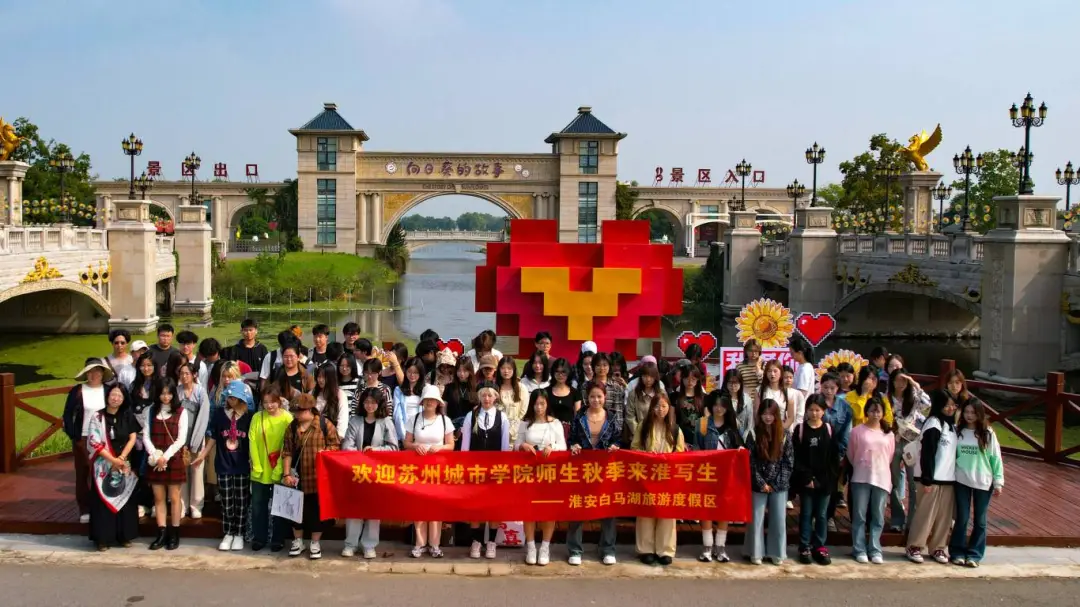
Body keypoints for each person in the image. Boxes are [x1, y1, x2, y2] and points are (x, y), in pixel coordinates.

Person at [566, 383, 621, 566]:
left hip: (605, 470)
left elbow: (618, 438)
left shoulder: (612, 417)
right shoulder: (580, 416)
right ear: (586, 398)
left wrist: (615, 446)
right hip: (583, 469)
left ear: (605, 397)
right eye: (592, 397)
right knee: (578, 506)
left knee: (608, 508)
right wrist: (573, 446)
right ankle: (575, 549)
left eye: (599, 396)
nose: (596, 400)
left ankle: (607, 548)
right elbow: (571, 439)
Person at [341, 387, 399, 559]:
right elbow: (346, 446)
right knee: (354, 508)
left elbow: (394, 448)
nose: (370, 405)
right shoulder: (355, 420)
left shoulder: (386, 421)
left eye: (373, 402)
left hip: (377, 472)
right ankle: (351, 544)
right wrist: (359, 456)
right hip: (357, 471)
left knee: (374, 509)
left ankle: (369, 545)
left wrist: (375, 450)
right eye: (366, 402)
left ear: (379, 403)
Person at [197, 380, 254, 552]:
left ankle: (239, 533)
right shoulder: (220, 415)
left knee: (242, 502)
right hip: (223, 464)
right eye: (229, 397)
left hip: (243, 465)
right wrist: (202, 456)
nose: (232, 400)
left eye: (235, 397)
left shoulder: (250, 416)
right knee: (227, 501)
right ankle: (228, 532)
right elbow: (214, 437)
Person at [282, 393, 341, 559]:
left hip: (318, 478)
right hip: (297, 477)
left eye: (299, 411)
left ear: (309, 410)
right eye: (295, 411)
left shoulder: (324, 424)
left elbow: (335, 446)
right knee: (295, 511)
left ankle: (315, 543)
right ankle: (298, 541)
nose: (297, 415)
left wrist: (326, 453)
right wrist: (286, 474)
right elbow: (286, 452)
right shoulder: (292, 427)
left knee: (316, 512)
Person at [949, 399, 1004, 568]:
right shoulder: (958, 432)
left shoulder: (987, 433)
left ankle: (975, 554)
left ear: (979, 414)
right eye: (967, 412)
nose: (969, 416)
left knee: (980, 520)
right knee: (962, 518)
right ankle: (957, 551)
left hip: (983, 481)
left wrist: (998, 481)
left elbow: (996, 458)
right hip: (962, 480)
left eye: (973, 413)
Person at [86, 383, 140, 551]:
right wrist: (112, 460)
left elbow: (132, 438)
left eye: (119, 395)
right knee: (103, 502)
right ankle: (103, 538)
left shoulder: (127, 415)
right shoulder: (98, 417)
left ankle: (123, 536)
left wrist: (122, 458)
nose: (115, 398)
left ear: (124, 399)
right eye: (113, 395)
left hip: (124, 463)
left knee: (125, 499)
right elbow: (94, 442)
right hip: (104, 465)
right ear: (108, 396)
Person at [632, 393, 685, 566]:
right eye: (656, 406)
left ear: (668, 407)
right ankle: (645, 549)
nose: (660, 410)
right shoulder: (643, 426)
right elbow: (634, 448)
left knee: (667, 513)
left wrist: (669, 459)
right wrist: (647, 456)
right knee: (646, 512)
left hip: (667, 476)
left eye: (663, 406)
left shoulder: (676, 429)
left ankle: (665, 550)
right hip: (647, 474)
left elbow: (681, 454)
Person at [907, 390, 959, 564]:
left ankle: (938, 547)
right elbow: (927, 454)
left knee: (944, 517)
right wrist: (927, 479)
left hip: (948, 479)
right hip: (931, 479)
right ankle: (915, 546)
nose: (950, 408)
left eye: (953, 405)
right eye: (947, 405)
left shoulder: (952, 426)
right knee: (925, 515)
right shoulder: (933, 424)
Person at [515, 390, 566, 566]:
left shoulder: (555, 423)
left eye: (542, 404)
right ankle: (530, 546)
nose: (539, 408)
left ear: (547, 405)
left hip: (549, 472)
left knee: (547, 510)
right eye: (536, 404)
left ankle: (545, 546)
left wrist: (552, 447)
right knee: (528, 509)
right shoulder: (525, 423)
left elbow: (563, 445)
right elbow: (516, 445)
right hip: (529, 472)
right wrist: (524, 445)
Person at [403, 385, 456, 558]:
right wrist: (416, 446)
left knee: (435, 505)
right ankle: (419, 544)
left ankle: (434, 544)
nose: (430, 403)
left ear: (438, 402)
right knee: (418, 505)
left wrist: (438, 449)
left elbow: (451, 445)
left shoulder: (444, 420)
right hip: (417, 467)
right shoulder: (414, 418)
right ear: (423, 401)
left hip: (438, 468)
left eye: (433, 400)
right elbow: (406, 443)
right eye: (427, 400)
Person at [461, 382, 512, 559]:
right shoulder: (471, 416)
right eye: (484, 395)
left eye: (490, 395)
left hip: (495, 470)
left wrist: (504, 471)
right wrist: (464, 468)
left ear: (495, 397)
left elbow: (505, 447)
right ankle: (476, 541)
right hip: (475, 469)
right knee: (475, 506)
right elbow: (465, 445)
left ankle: (491, 542)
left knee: (494, 507)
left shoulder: (502, 417)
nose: (487, 399)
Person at [62, 358, 115, 524]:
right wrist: (74, 437)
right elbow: (67, 415)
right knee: (84, 472)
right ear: (86, 373)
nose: (94, 375)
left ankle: (103, 506)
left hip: (104, 437)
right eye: (91, 372)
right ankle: (85, 508)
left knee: (103, 472)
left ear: (102, 373)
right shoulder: (78, 391)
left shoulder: (108, 391)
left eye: (97, 371)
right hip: (83, 436)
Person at [695, 391, 743, 562]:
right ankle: (707, 547)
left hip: (727, 475)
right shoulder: (701, 423)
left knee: (725, 509)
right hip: (707, 473)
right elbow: (696, 449)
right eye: (715, 405)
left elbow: (739, 447)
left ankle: (720, 547)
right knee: (706, 509)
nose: (718, 408)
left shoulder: (733, 425)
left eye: (722, 405)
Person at [744, 399, 793, 565]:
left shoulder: (785, 435)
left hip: (779, 485)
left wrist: (776, 483)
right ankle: (755, 552)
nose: (767, 417)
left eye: (771, 414)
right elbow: (750, 462)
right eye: (764, 414)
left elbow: (788, 462)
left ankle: (777, 552)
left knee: (778, 520)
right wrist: (761, 482)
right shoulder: (753, 434)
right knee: (756, 519)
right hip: (758, 484)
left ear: (776, 415)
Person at [847, 396, 895, 565]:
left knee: (878, 516)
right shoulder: (856, 431)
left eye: (878, 411)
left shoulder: (888, 434)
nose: (875, 414)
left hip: (882, 477)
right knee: (859, 515)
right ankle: (859, 548)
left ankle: (875, 548)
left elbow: (889, 456)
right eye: (872, 410)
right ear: (867, 411)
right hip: (861, 476)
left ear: (883, 413)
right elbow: (851, 454)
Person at [143, 378, 188, 550]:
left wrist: (166, 456)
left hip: (173, 458)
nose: (166, 397)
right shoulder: (150, 410)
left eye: (169, 393)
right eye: (162, 393)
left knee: (175, 497)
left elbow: (181, 439)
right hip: (155, 459)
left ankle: (175, 533)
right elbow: (146, 436)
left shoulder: (181, 411)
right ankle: (161, 533)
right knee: (159, 498)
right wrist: (155, 454)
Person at [793, 395, 838, 565]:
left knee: (821, 515)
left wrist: (827, 479)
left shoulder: (828, 429)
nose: (814, 413)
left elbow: (833, 457)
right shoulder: (800, 430)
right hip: (806, 481)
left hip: (825, 481)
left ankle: (819, 545)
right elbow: (797, 457)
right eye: (811, 409)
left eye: (818, 410)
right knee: (805, 514)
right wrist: (807, 478)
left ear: (824, 411)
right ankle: (804, 546)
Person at [885, 367, 931, 532]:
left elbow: (927, 404)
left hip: (911, 442)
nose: (900, 383)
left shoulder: (913, 399)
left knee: (913, 483)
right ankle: (897, 519)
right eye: (898, 380)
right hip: (893, 441)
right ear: (892, 381)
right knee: (895, 482)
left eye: (904, 380)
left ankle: (912, 520)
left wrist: (914, 384)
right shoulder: (887, 398)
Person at [249, 385, 293, 552]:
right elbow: (252, 441)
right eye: (265, 402)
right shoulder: (256, 417)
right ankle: (259, 537)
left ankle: (278, 539)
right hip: (260, 469)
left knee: (280, 506)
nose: (269, 406)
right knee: (258, 505)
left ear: (279, 401)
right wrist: (257, 465)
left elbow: (288, 445)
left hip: (280, 468)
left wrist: (280, 468)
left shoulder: (287, 418)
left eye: (272, 402)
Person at [818, 373, 853, 532]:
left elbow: (846, 432)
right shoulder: (815, 402)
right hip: (816, 450)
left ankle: (829, 517)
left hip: (835, 451)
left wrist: (841, 452)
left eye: (832, 388)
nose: (828, 391)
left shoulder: (844, 407)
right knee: (816, 486)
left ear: (838, 388)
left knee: (832, 486)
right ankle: (815, 517)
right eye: (825, 387)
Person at [176, 363, 211, 519]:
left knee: (196, 471)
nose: (184, 376)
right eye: (182, 373)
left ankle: (196, 505)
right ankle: (181, 504)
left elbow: (203, 417)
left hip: (196, 436)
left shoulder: (201, 392)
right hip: (179, 438)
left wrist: (195, 442)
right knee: (181, 472)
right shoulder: (176, 392)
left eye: (187, 373)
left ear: (194, 374)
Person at [759, 359, 804, 432]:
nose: (772, 374)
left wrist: (781, 429)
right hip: (764, 431)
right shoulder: (760, 390)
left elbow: (791, 417)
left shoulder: (788, 392)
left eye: (775, 371)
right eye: (769, 371)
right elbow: (756, 413)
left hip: (782, 430)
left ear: (781, 373)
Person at [392, 357, 427, 445]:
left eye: (415, 373)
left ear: (421, 374)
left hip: (421, 433)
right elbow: (397, 414)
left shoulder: (426, 389)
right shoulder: (398, 390)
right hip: (403, 431)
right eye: (409, 372)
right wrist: (404, 437)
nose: (412, 375)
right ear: (405, 371)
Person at [495, 356, 528, 445]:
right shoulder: (495, 387)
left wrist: (511, 431)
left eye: (509, 368)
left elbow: (522, 413)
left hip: (517, 432)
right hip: (497, 432)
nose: (506, 371)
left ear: (514, 370)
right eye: (503, 368)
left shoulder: (521, 388)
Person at [625, 362, 661, 443]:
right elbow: (630, 417)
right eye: (645, 376)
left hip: (658, 436)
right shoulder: (633, 394)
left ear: (656, 377)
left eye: (651, 376)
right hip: (638, 437)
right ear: (640, 377)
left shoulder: (661, 394)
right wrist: (640, 434)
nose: (648, 379)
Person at [672, 365, 706, 450]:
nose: (690, 382)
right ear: (682, 379)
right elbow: (672, 422)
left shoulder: (704, 398)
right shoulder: (674, 397)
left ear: (698, 380)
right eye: (687, 378)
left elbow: (705, 422)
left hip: (699, 442)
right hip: (680, 441)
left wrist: (700, 442)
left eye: (693, 379)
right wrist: (680, 441)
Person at [313, 363, 350, 439]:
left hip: (332, 437)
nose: (320, 380)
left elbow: (343, 419)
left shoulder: (340, 395)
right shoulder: (313, 393)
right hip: (314, 436)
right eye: (319, 377)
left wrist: (337, 438)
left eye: (324, 377)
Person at [718, 369, 754, 440]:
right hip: (723, 437)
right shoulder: (719, 399)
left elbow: (750, 423)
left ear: (741, 383)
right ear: (726, 383)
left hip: (742, 437)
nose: (733, 385)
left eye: (736, 382)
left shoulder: (747, 399)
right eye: (730, 382)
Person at [546, 357, 581, 425]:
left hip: (568, 430)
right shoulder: (545, 392)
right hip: (549, 428)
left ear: (568, 373)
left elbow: (577, 416)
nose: (560, 375)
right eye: (557, 372)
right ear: (553, 372)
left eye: (563, 372)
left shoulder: (575, 393)